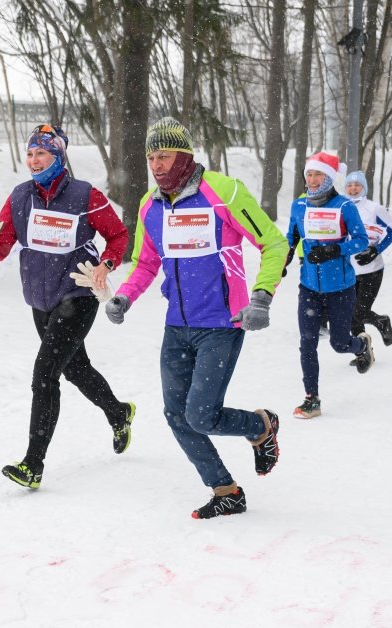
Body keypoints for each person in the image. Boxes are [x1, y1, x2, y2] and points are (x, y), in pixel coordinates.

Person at [104, 117, 286, 519]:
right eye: (151, 157)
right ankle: (225, 490)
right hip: (177, 326)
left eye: (164, 155)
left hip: (223, 323)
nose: (156, 165)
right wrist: (124, 297)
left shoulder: (223, 192)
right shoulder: (150, 204)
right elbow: (146, 262)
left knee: (201, 414)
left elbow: (274, 242)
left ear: (184, 155)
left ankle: (260, 426)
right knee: (176, 414)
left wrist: (261, 296)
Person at [0, 123, 135, 490]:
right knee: (76, 369)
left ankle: (33, 464)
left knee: (45, 374)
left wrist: (106, 266)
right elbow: (2, 247)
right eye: (29, 153)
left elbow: (119, 235)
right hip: (40, 300)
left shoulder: (84, 195)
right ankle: (119, 412)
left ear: (58, 156)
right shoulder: (19, 197)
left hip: (78, 294)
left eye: (41, 153)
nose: (34, 160)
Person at [283, 151, 374, 420]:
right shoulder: (299, 206)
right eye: (309, 174)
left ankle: (360, 345)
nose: (311, 179)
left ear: (329, 177)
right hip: (309, 286)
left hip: (341, 287)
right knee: (307, 343)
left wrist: (335, 251)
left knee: (338, 343)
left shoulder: (345, 206)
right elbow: (292, 235)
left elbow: (361, 241)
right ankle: (312, 398)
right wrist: (285, 257)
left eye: (317, 174)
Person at [342, 171, 392, 351]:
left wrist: (376, 250)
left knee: (360, 312)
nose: (353, 188)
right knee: (351, 316)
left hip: (371, 270)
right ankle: (363, 351)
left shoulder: (374, 208)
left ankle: (382, 321)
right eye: (349, 185)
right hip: (348, 270)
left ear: (364, 188)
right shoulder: (340, 208)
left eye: (357, 185)